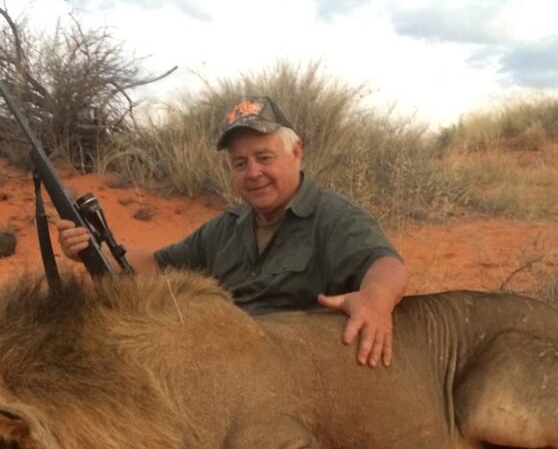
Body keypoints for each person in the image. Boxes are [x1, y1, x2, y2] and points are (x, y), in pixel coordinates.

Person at [57, 96, 409, 367]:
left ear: (296, 151)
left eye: (264, 157)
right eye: (240, 164)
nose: (252, 172)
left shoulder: (334, 216)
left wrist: (375, 301)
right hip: (226, 362)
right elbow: (156, 265)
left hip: (297, 370)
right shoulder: (228, 226)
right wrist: (91, 250)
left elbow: (385, 264)